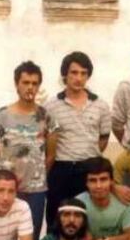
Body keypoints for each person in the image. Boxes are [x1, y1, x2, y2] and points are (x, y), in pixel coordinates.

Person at [0, 61, 58, 240]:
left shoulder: (46, 116)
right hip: (8, 188)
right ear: (16, 84)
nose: (30, 87)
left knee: (32, 236)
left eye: (35, 83)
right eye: (26, 82)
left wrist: (38, 176)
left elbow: (51, 154)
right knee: (5, 236)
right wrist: (4, 175)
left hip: (36, 190)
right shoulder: (3, 115)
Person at [45, 51, 111, 227]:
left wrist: (87, 154)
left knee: (86, 219)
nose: (79, 78)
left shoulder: (101, 105)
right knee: (56, 216)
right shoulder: (51, 106)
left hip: (89, 169)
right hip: (61, 168)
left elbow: (103, 138)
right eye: (74, 73)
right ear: (65, 75)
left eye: (84, 73)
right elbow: (47, 140)